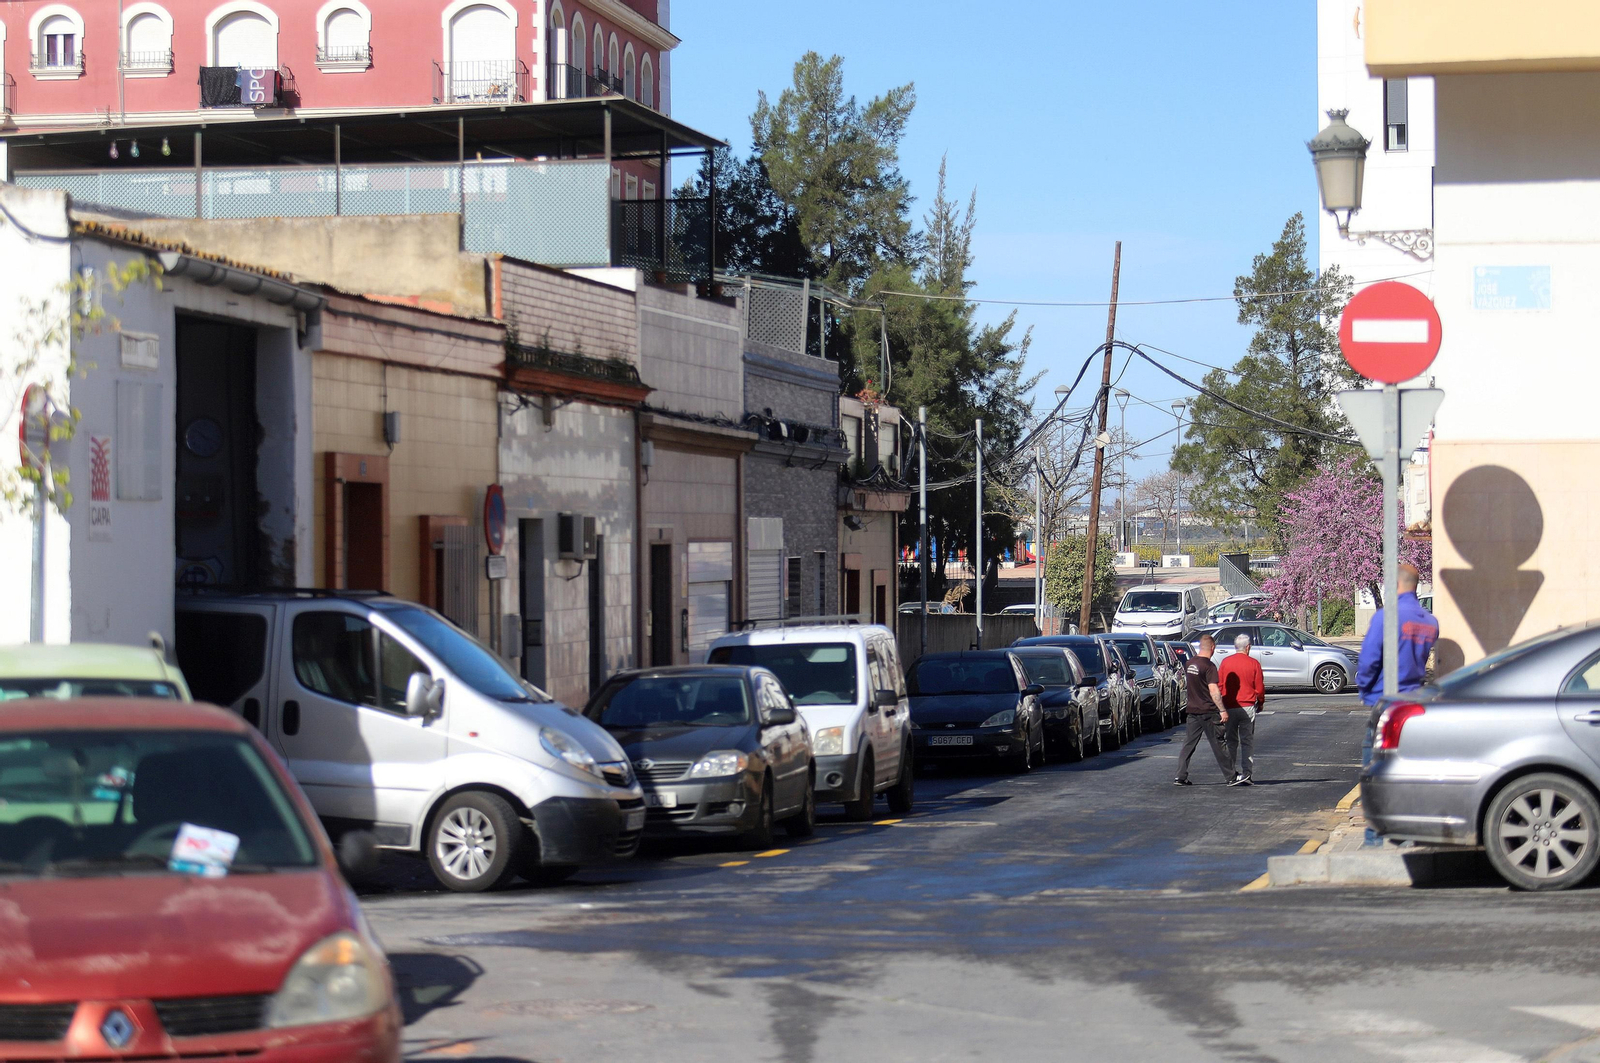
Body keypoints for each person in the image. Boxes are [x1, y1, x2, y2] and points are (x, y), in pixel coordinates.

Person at [1356, 563, 1440, 706]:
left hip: (1384, 697)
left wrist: (1364, 687)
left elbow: (1369, 660)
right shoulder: (1431, 622)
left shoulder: (1385, 617)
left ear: (1395, 584)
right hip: (1414, 696)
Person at [1175, 633, 1232, 785]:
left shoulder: (1189, 663)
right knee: (1218, 744)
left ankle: (1180, 775)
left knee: (1188, 744)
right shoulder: (1209, 666)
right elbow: (1214, 690)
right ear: (1212, 648)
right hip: (1209, 711)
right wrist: (1222, 710)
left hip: (1193, 710)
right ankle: (1231, 776)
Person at [1218, 633, 1265, 786]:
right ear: (1248, 647)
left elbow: (1220, 685)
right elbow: (1259, 687)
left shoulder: (1225, 663)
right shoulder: (1254, 663)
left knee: (1231, 741)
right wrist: (1261, 702)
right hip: (1247, 705)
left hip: (1229, 706)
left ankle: (1231, 773)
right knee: (1247, 741)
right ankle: (1247, 773)